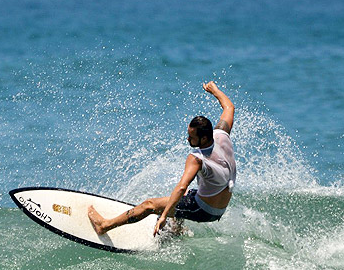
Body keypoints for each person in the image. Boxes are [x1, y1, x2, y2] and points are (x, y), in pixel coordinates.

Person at [88, 81, 236, 237]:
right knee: (185, 195)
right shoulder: (221, 134)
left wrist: (164, 215)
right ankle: (176, 231)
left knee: (149, 204)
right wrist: (215, 90)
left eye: (191, 137)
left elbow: (180, 186)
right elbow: (229, 107)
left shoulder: (197, 158)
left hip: (204, 210)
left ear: (204, 138)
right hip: (220, 206)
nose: (187, 140)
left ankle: (104, 225)